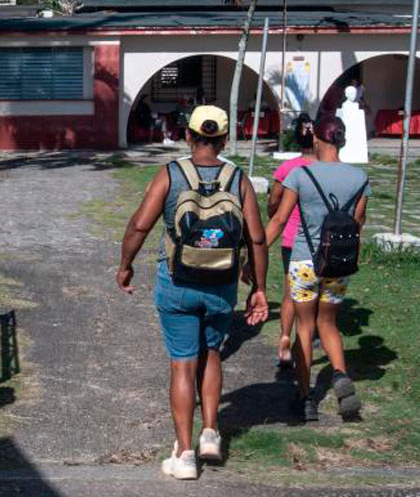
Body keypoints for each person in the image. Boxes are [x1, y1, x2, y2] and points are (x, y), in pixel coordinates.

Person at [116, 105, 269, 480]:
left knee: (183, 362)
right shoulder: (238, 178)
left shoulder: (171, 174)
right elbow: (258, 237)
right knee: (211, 352)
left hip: (178, 281)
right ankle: (211, 432)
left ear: (189, 135)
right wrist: (260, 287)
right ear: (225, 139)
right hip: (221, 282)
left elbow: (139, 224)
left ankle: (185, 454)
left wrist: (125, 264)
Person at [265, 116, 370, 422]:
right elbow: (358, 222)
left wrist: (256, 250)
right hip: (339, 263)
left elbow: (280, 219)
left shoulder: (301, 174)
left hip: (304, 261)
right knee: (329, 325)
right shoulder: (360, 177)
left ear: (316, 140)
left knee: (306, 327)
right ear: (343, 141)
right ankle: (339, 375)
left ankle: (305, 397)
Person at [268, 114, 316, 367]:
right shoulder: (326, 167)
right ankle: (305, 342)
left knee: (289, 294)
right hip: (321, 243)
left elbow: (274, 200)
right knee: (312, 298)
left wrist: (272, 214)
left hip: (291, 240)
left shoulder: (288, 168)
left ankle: (285, 340)